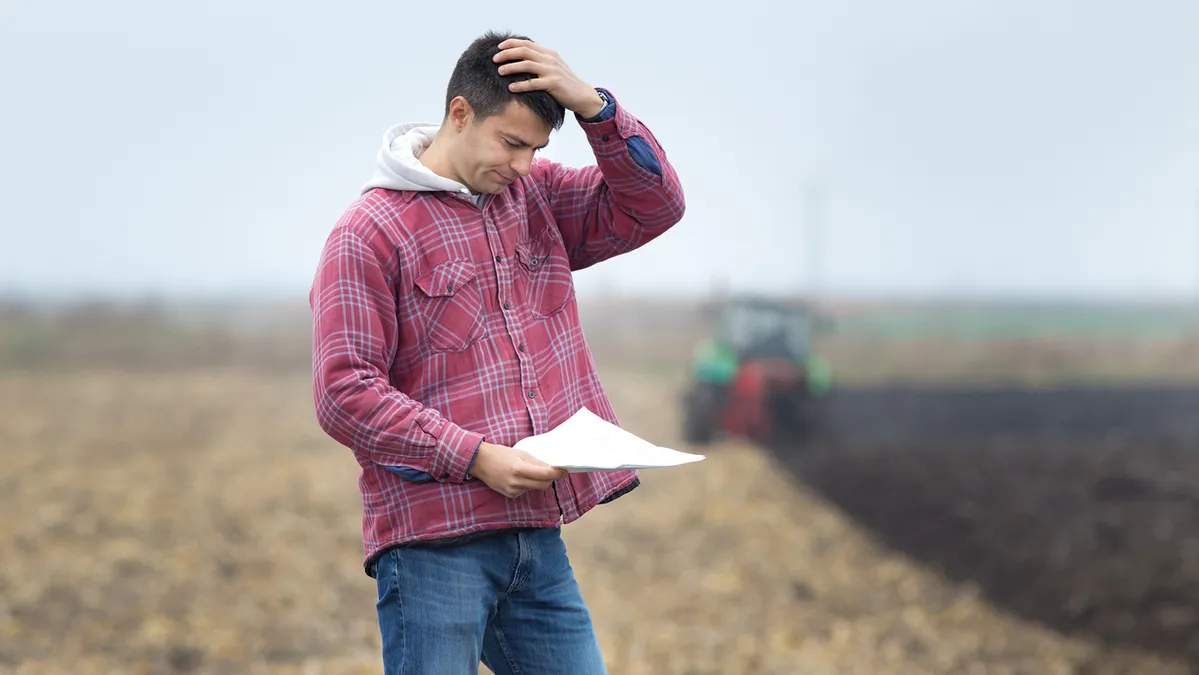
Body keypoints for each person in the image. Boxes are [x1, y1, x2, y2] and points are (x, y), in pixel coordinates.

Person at [308, 29, 685, 674]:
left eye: (534, 150)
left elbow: (654, 206)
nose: (521, 165)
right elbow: (345, 392)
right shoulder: (368, 233)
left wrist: (597, 108)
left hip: (537, 540)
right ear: (460, 113)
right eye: (511, 143)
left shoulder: (535, 195)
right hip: (433, 545)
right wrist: (475, 457)